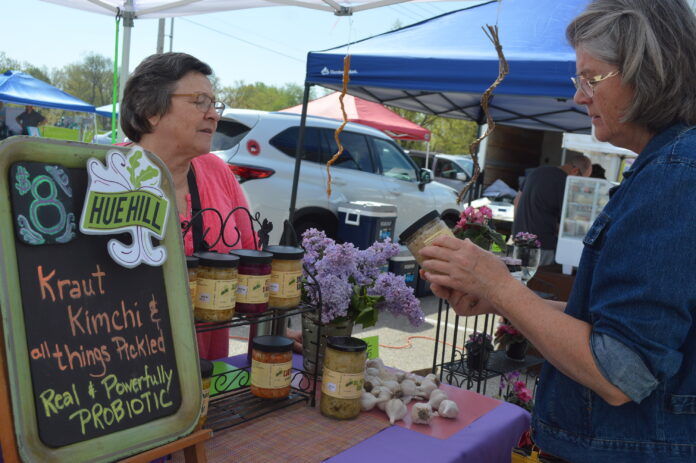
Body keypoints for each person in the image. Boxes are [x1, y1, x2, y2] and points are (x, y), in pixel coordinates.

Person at [420, 0, 696, 461]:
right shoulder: (665, 167)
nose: (579, 96)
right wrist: (506, 300)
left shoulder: (675, 175)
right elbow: (621, 324)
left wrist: (500, 284)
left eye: (591, 78)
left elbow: (620, 372)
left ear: (648, 72)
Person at [120, 52, 257, 360]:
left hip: (207, 372)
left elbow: (252, 265)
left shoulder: (217, 172)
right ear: (150, 109)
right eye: (199, 102)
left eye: (214, 104)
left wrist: (273, 330)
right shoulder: (105, 174)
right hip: (128, 374)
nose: (214, 115)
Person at [512, 153, 591, 266]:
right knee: (538, 281)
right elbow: (567, 224)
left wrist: (519, 229)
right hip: (542, 247)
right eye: (582, 179)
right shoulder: (564, 183)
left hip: (519, 241)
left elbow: (517, 201)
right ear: (575, 171)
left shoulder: (537, 172)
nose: (581, 185)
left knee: (519, 278)